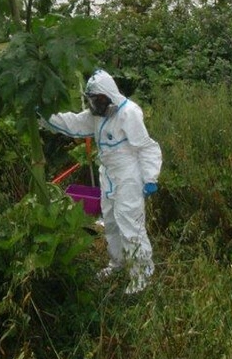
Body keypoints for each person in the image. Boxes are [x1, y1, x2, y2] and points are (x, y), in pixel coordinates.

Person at [39, 69, 162, 294]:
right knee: (111, 222)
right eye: (91, 100)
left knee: (130, 225)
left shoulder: (129, 113)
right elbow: (72, 124)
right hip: (108, 175)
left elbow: (146, 147)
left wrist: (150, 177)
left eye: (97, 100)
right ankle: (117, 264)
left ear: (108, 95)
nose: (93, 105)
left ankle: (142, 276)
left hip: (128, 177)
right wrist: (44, 115)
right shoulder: (97, 116)